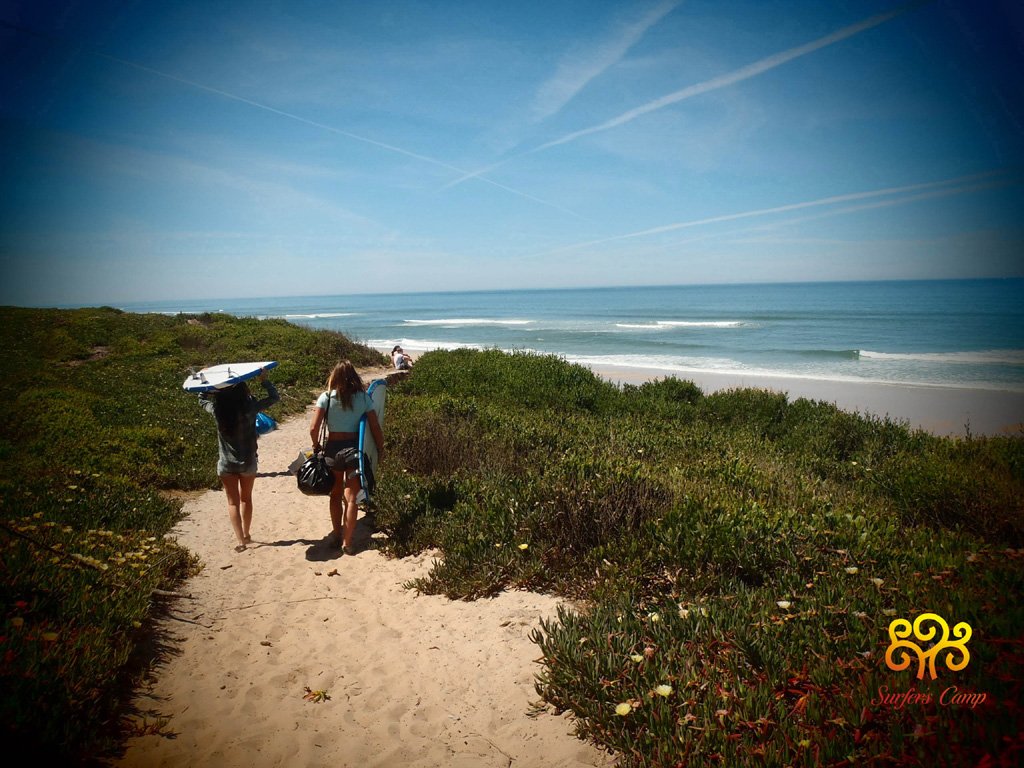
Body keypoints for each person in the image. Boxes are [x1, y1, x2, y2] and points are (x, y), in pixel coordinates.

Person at [199, 370, 279, 552]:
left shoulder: (217, 410)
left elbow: (202, 401)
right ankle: (247, 533)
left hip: (226, 464)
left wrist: (207, 388)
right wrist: (264, 381)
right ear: (243, 392)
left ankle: (240, 541)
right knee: (246, 499)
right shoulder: (249, 409)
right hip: (248, 462)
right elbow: (274, 397)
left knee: (232, 502)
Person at [309, 361, 384, 554]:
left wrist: (316, 445)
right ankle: (347, 543)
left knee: (334, 495)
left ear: (335, 376)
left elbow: (313, 428)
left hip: (332, 450)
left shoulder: (326, 398)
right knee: (352, 499)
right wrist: (380, 449)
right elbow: (375, 428)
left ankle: (336, 534)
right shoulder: (363, 399)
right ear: (354, 377)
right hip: (354, 451)